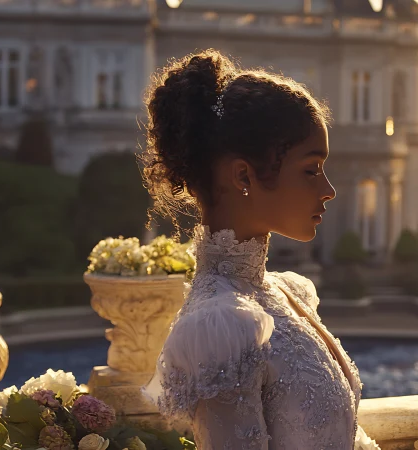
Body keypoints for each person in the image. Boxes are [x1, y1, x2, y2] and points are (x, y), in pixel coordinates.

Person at [140, 49, 363, 449]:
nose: (328, 190)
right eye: (311, 170)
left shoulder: (287, 294)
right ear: (243, 175)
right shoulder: (219, 326)